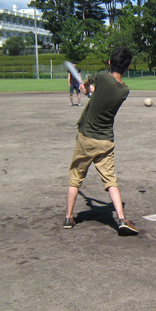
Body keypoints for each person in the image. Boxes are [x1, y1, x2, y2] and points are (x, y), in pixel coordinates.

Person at [63, 47, 138, 235]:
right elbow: (102, 93)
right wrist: (91, 91)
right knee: (111, 180)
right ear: (127, 67)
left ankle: (69, 217)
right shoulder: (124, 90)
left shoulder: (103, 77)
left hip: (86, 137)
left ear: (110, 63)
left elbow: (90, 82)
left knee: (76, 177)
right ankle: (121, 219)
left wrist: (86, 87)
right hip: (105, 141)